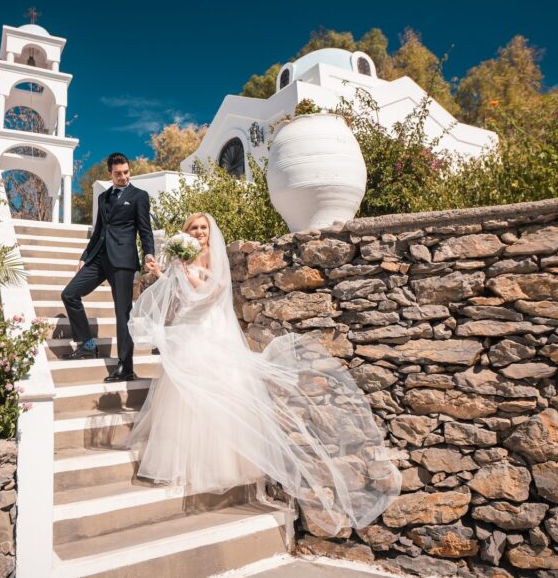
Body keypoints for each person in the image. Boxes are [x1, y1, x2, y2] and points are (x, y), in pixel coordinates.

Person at [125, 212, 402, 534]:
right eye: (194, 228)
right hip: (188, 326)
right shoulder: (181, 259)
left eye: (203, 228)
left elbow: (213, 292)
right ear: (186, 232)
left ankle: (217, 465)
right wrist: (163, 273)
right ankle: (183, 464)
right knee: (182, 396)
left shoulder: (212, 256)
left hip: (208, 328)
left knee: (216, 393)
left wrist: (186, 273)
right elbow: (178, 294)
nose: (199, 232)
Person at [60, 153, 155, 383]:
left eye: (126, 172)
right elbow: (98, 230)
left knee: (123, 313)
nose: (123, 177)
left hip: (122, 260)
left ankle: (126, 367)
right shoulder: (103, 197)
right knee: (69, 294)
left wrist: (149, 253)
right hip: (98, 258)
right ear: (109, 174)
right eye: (118, 173)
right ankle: (87, 345)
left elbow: (145, 229)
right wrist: (85, 256)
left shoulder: (139, 196)